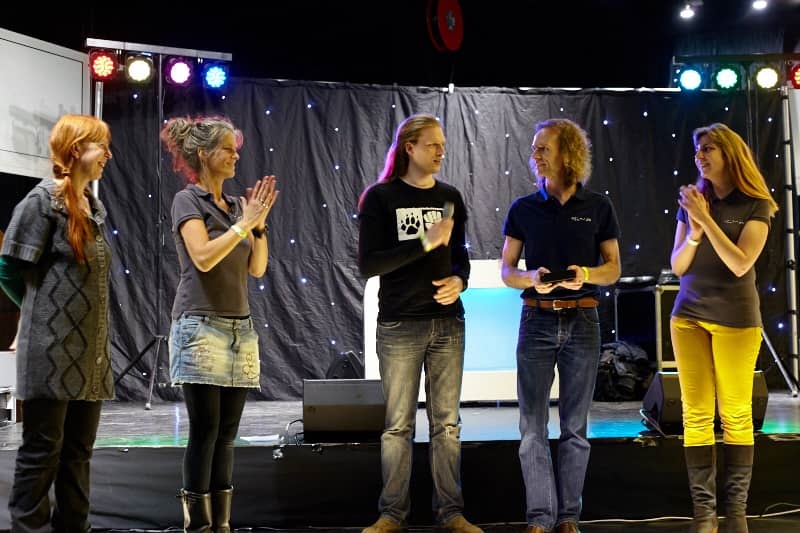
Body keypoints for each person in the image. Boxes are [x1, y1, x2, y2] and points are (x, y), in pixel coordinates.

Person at [357, 113, 480, 533]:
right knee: (398, 426)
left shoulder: (450, 196)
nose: (441, 151)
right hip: (400, 326)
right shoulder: (380, 198)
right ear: (409, 147)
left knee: (447, 425)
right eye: (433, 144)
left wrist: (460, 281)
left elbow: (460, 256)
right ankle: (392, 514)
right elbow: (369, 265)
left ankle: (452, 513)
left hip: (448, 324)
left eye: (443, 144)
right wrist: (424, 241)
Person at [500, 118, 621, 533]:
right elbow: (506, 270)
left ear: (567, 154)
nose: (534, 155)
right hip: (536, 319)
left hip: (583, 319)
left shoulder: (598, 207)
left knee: (575, 427)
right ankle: (539, 518)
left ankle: (568, 517)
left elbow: (613, 269)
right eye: (535, 149)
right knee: (532, 426)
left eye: (543, 148)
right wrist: (529, 278)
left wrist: (585, 274)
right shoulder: (523, 208)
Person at [160, 115, 278, 533]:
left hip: (239, 330)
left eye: (235, 149)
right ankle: (198, 526)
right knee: (205, 430)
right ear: (204, 154)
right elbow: (203, 257)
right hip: (200, 325)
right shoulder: (187, 200)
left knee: (227, 433)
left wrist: (258, 227)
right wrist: (243, 225)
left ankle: (221, 525)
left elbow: (257, 268)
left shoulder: (235, 207)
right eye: (227, 149)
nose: (235, 156)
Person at [0, 114, 115, 532]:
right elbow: (8, 269)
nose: (108, 154)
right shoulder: (41, 202)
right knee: (42, 452)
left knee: (78, 454)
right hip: (50, 353)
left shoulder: (94, 207)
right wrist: (38, 315)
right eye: (100, 146)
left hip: (89, 355)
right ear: (75, 149)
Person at [669, 123, 778, 533]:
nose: (700, 155)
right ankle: (704, 517)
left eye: (708, 148)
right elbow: (678, 265)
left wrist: (707, 221)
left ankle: (735, 516)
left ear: (730, 153)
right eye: (698, 149)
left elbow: (739, 263)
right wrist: (695, 231)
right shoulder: (694, 202)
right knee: (696, 414)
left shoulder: (756, 204)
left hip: (736, 321)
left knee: (735, 414)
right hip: (688, 317)